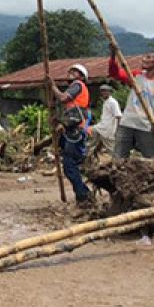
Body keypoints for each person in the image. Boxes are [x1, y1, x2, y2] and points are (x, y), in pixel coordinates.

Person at [109, 51, 154, 159]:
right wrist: (113, 56)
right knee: (118, 159)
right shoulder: (136, 76)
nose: (143, 59)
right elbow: (115, 73)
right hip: (126, 123)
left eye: (148, 57)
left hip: (147, 126)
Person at [52, 64, 92, 204]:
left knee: (70, 166)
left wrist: (53, 87)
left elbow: (63, 98)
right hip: (74, 130)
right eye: (70, 71)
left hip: (76, 131)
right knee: (73, 163)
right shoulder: (77, 89)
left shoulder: (77, 84)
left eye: (75, 72)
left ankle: (83, 195)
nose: (71, 73)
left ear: (81, 76)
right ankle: (83, 194)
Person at [94, 83, 122, 154]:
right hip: (102, 127)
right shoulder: (106, 102)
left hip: (109, 130)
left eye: (105, 91)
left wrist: (117, 130)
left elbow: (119, 116)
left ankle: (119, 162)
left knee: (112, 150)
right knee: (95, 140)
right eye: (102, 91)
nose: (103, 93)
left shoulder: (113, 102)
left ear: (109, 92)